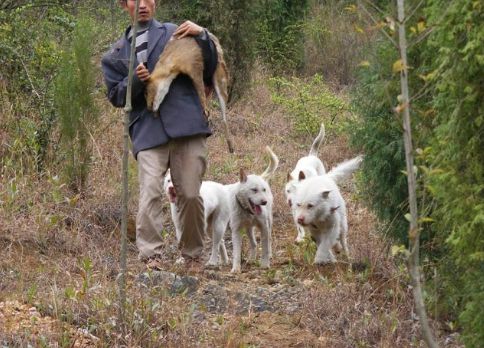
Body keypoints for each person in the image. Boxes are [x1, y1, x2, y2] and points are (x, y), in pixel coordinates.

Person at [101, 0, 217, 270]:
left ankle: (192, 255)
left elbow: (208, 65)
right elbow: (116, 97)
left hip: (186, 123)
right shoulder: (115, 54)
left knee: (189, 192)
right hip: (147, 128)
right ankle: (151, 256)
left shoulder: (174, 32)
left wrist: (203, 35)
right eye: (135, 0)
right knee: (151, 191)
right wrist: (136, 79)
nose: (142, 5)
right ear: (123, 5)